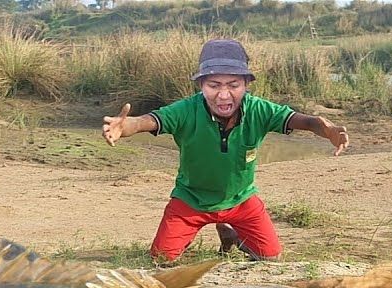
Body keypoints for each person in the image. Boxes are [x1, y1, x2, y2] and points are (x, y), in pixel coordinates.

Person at [102, 38, 349, 263]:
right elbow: (148, 121)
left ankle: (230, 233)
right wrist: (126, 126)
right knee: (161, 260)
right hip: (191, 201)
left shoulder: (259, 110)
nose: (223, 95)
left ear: (246, 84)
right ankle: (205, 232)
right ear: (200, 84)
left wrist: (328, 130)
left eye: (233, 85)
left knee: (271, 257)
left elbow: (306, 121)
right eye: (213, 85)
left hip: (241, 200)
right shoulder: (186, 110)